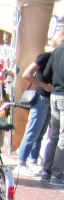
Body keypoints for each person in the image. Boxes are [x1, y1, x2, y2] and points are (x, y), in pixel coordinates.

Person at [16, 33, 63, 176]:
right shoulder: (45, 55)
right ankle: (21, 162)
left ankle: (33, 161)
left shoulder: (54, 55)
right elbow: (27, 74)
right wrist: (44, 85)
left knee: (42, 133)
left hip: (50, 98)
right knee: (33, 131)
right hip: (42, 96)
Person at [37, 37, 64, 187]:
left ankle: (47, 171)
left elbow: (46, 73)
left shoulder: (58, 49)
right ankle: (57, 174)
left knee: (54, 134)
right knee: (62, 136)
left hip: (54, 94)